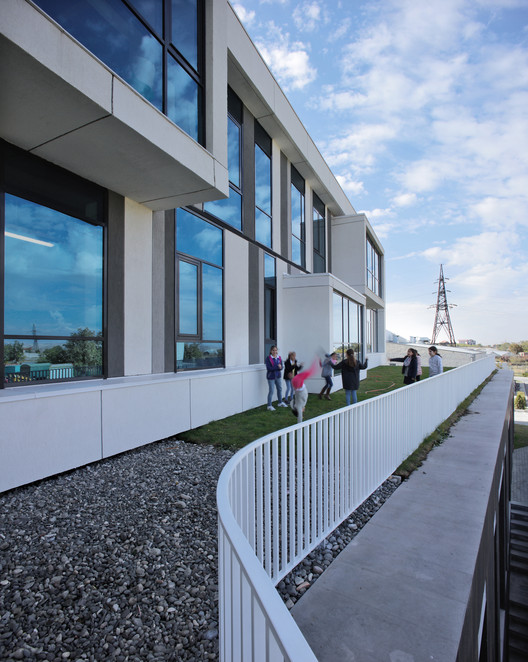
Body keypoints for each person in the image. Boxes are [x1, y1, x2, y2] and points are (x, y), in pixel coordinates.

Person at [291, 358, 319, 423]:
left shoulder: (300, 406)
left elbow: (300, 416)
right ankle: (315, 361)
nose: (304, 410)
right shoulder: (295, 405)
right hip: (297, 386)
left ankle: (316, 360)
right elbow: (292, 401)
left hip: (300, 387)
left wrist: (299, 423)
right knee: (310, 371)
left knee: (311, 371)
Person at [265, 345, 288, 410]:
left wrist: (280, 367)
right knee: (271, 390)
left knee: (280, 389)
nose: (275, 351)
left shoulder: (279, 358)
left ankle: (280, 402)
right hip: (271, 377)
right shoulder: (268, 358)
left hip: (278, 376)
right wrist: (277, 367)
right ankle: (269, 405)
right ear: (270, 351)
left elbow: (281, 367)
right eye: (273, 350)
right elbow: (269, 368)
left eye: (276, 350)